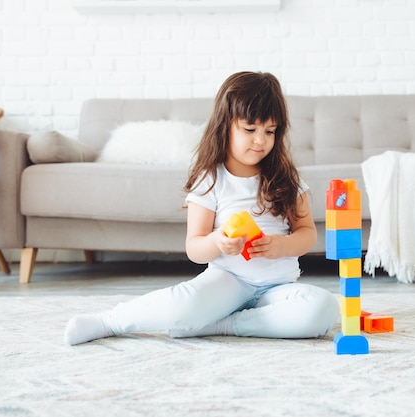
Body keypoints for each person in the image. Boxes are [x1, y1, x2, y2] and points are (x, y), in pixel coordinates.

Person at [63, 71, 339, 346]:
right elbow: (195, 248)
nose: (261, 140)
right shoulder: (212, 179)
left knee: (322, 309)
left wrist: (284, 245)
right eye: (250, 130)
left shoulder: (287, 180)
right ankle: (109, 321)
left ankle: (223, 325)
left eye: (270, 131)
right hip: (229, 281)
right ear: (225, 125)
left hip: (278, 288)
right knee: (182, 305)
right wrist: (218, 242)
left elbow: (307, 234)